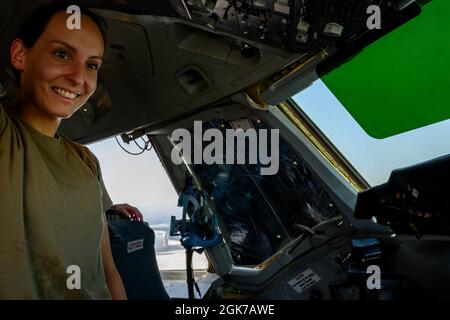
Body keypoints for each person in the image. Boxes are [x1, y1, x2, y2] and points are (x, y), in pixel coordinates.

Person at [0, 3, 144, 299]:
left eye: (92, 65)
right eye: (61, 54)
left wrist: (103, 208)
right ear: (20, 54)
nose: (79, 78)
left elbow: (107, 271)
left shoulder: (86, 160)